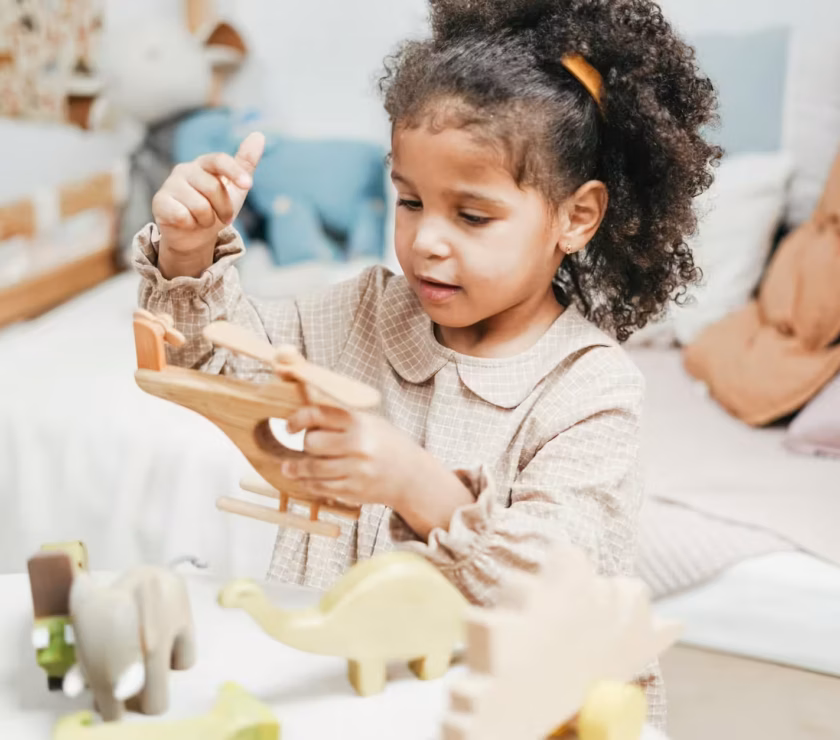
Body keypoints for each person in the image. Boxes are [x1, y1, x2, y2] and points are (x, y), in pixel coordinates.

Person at [133, 0, 719, 724]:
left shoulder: (592, 391)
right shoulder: (362, 315)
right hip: (351, 701)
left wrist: (412, 481)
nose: (426, 242)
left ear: (576, 217)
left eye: (471, 216)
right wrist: (187, 249)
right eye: (409, 201)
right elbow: (213, 361)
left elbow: (555, 585)